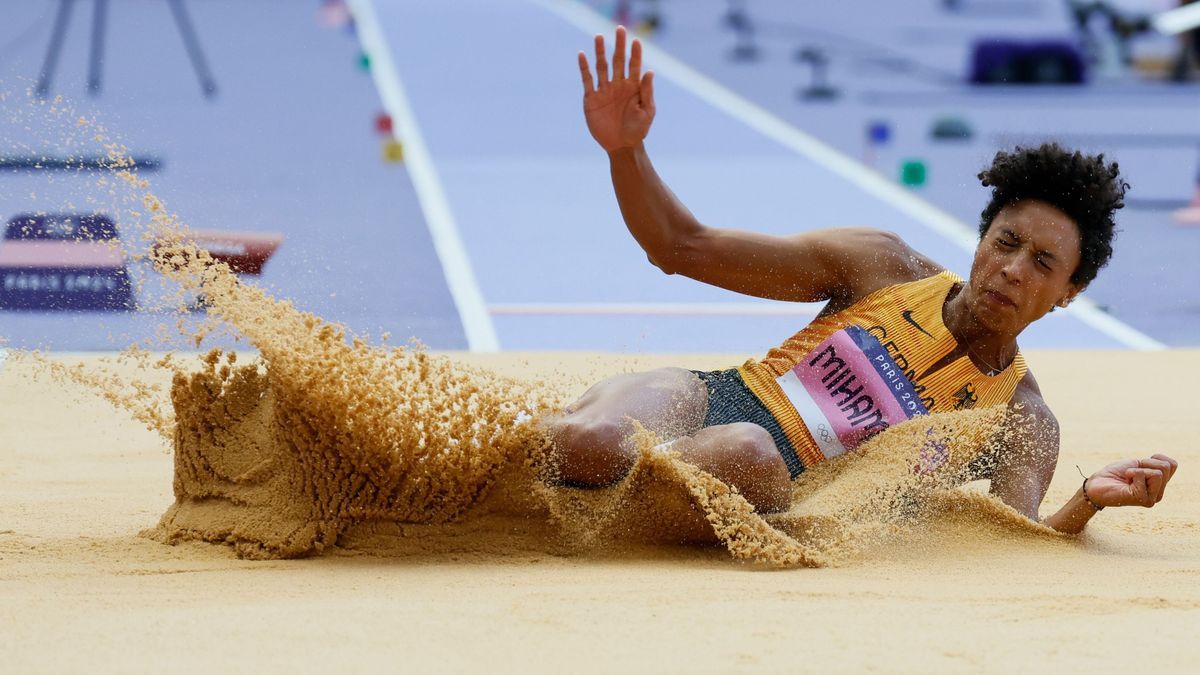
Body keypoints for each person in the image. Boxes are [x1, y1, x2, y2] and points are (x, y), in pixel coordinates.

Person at [541, 27, 1179, 534]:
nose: (1012, 269)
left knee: (748, 454)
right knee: (594, 440)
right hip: (711, 399)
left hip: (767, 482)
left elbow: (1018, 538)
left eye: (1043, 263)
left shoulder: (1020, 419)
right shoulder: (882, 267)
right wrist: (626, 151)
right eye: (1005, 243)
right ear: (981, 240)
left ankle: (610, 503)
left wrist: (1089, 500)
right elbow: (680, 247)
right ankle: (466, 461)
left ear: (1069, 292)